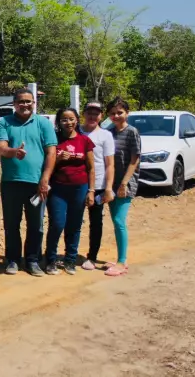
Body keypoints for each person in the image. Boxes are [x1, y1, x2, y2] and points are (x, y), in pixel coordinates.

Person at [0, 88, 57, 277]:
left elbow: (51, 152)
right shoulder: (4, 122)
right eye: (21, 101)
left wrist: (44, 179)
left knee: (36, 224)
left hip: (36, 183)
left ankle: (32, 260)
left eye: (28, 101)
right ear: (14, 103)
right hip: (11, 183)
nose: (25, 105)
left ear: (34, 103)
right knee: (11, 224)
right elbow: (2, 149)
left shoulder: (43, 123)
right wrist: (15, 152)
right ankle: (13, 259)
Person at [44, 107, 95, 276]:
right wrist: (58, 159)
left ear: (77, 120)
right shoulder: (54, 139)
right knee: (57, 224)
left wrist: (91, 191)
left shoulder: (84, 141)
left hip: (80, 188)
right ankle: (50, 259)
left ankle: (70, 260)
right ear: (59, 122)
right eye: (64, 119)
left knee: (74, 225)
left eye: (71, 119)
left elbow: (91, 168)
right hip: (58, 188)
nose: (68, 122)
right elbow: (47, 164)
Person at [104, 96, 141, 277]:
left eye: (120, 112)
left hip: (125, 184)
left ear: (127, 113)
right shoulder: (108, 132)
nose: (116, 116)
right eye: (112, 113)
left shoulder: (132, 132)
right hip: (111, 183)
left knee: (119, 221)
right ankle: (120, 257)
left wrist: (124, 183)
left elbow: (135, 160)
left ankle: (122, 261)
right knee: (115, 221)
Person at [79, 101, 115, 271]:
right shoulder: (76, 131)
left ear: (101, 116)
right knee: (72, 221)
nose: (92, 116)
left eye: (96, 113)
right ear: (83, 113)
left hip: (99, 185)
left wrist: (108, 187)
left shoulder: (106, 135)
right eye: (89, 112)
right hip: (76, 183)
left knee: (96, 222)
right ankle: (69, 254)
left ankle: (92, 257)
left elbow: (110, 164)